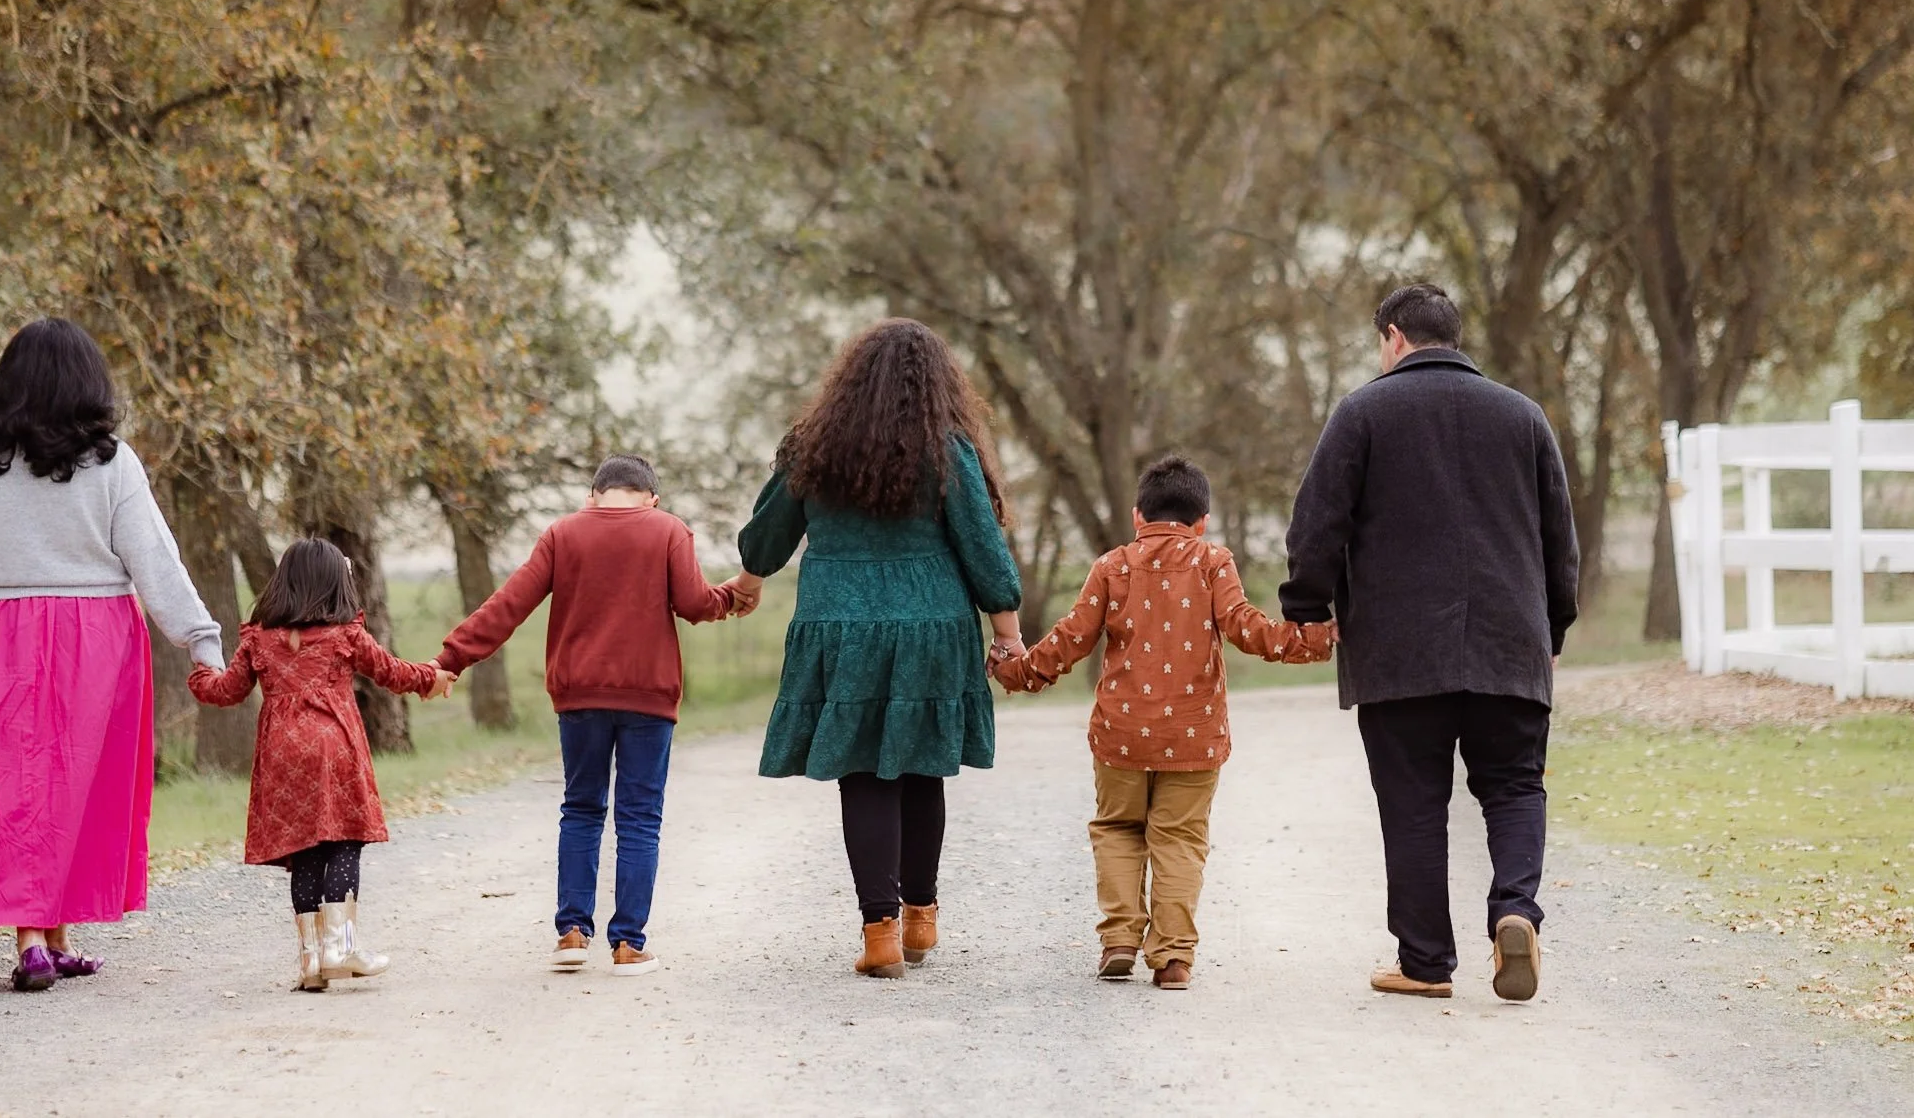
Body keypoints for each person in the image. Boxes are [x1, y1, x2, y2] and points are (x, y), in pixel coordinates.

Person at [1279, 282, 1579, 1003]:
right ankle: (1515, 909)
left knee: (1413, 803)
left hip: (1399, 652)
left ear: (1392, 337)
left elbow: (1316, 523)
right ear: (1455, 336)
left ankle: (1425, 962)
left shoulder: (1363, 412)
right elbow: (1559, 540)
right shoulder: (1523, 416)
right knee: (1512, 788)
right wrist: (1555, 625)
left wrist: (1306, 605)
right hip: (1510, 643)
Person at [0, 317, 226, 993]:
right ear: (88, 383)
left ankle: (47, 938)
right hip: (95, 639)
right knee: (75, 783)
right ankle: (34, 936)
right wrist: (200, 641)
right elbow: (155, 562)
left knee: (14, 784)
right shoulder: (113, 463)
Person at [730, 318, 1025, 979]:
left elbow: (767, 538)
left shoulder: (813, 447)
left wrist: (748, 584)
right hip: (933, 623)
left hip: (844, 625)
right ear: (938, 383)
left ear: (848, 379)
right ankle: (922, 918)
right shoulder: (949, 449)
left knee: (863, 773)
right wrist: (1006, 633)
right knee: (922, 768)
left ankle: (880, 934)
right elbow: (982, 544)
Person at [992, 454, 1335, 990]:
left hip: (1120, 735)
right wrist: (1308, 640)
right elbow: (1245, 628)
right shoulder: (1213, 561)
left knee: (1117, 829)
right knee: (1179, 837)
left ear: (1136, 516)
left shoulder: (1112, 566)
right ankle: (1173, 958)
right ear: (1202, 521)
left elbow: (1072, 638)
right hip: (1194, 736)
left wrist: (1019, 671)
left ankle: (1120, 941)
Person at [434, 454, 753, 975]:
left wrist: (451, 660)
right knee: (639, 817)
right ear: (653, 497)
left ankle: (572, 934)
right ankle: (628, 943)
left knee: (581, 808)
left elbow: (509, 604)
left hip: (579, 696)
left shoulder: (563, 534)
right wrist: (731, 600)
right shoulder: (668, 530)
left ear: (593, 495)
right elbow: (695, 604)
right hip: (648, 696)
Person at [190, 538, 454, 990]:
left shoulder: (259, 638)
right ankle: (342, 947)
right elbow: (392, 672)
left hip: (281, 754)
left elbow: (226, 691)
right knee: (345, 843)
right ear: (335, 584)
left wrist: (200, 672)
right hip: (334, 748)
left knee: (306, 849)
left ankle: (311, 961)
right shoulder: (344, 635)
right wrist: (433, 676)